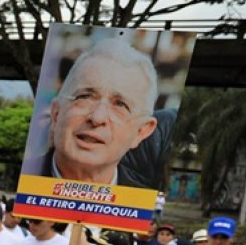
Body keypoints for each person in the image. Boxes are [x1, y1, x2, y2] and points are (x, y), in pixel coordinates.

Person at [37, 38, 159, 185]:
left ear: (141, 132)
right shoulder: (19, 180)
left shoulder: (144, 198)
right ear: (56, 114)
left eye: (120, 105)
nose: (97, 117)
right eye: (85, 97)